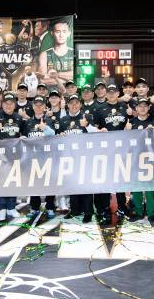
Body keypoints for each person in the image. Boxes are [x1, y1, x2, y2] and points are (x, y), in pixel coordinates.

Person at [93, 84, 130, 224]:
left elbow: (131, 123)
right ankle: (103, 207)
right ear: (106, 94)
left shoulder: (125, 107)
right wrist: (99, 131)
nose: (112, 94)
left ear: (118, 93)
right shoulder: (99, 109)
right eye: (109, 92)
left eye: (114, 92)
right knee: (104, 177)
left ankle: (121, 207)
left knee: (120, 178)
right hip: (105, 149)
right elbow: (95, 129)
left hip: (121, 148)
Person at [0, 93, 27, 222]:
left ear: (14, 105)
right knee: (0, 181)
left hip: (14, 154)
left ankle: (11, 207)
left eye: (11, 103)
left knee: (13, 180)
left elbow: (25, 134)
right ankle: (2, 208)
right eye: (6, 103)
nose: (8, 105)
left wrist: (23, 138)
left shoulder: (18, 117)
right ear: (2, 104)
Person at [59, 95, 94, 223]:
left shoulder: (87, 117)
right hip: (69, 157)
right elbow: (59, 137)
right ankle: (75, 210)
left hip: (85, 156)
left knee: (86, 186)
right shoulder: (63, 120)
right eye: (71, 103)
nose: (74, 105)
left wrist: (88, 126)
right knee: (73, 185)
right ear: (68, 105)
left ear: (80, 104)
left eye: (76, 103)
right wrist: (60, 136)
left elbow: (96, 134)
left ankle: (88, 212)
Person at [125, 98, 154, 227]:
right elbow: (124, 141)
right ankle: (138, 212)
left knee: (150, 190)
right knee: (136, 189)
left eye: (145, 106)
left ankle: (151, 214)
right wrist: (126, 131)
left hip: (150, 159)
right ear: (136, 108)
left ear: (149, 108)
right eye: (140, 106)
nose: (143, 108)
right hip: (135, 159)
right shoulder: (131, 122)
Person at [24, 96, 57, 218]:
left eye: (41, 105)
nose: (38, 107)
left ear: (44, 107)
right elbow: (23, 137)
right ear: (33, 107)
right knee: (34, 183)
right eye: (36, 105)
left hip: (48, 157)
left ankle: (50, 207)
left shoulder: (51, 120)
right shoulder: (27, 122)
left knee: (50, 183)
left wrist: (46, 129)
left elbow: (55, 136)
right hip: (33, 158)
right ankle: (34, 207)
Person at [38, 19, 74, 86]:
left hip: (71, 94)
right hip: (51, 95)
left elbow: (76, 76)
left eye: (64, 31)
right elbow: (43, 80)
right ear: (52, 33)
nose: (61, 35)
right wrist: (69, 78)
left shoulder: (74, 53)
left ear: (69, 33)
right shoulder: (44, 54)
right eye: (58, 32)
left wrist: (56, 75)